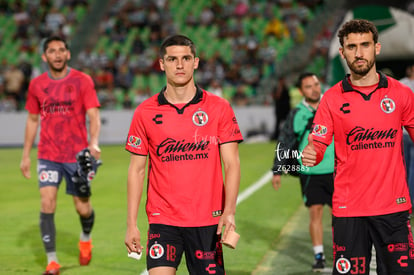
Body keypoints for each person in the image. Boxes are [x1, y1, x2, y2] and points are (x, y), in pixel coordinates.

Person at [302, 19, 414, 274]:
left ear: (377, 48)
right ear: (342, 53)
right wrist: (312, 153)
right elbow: (318, 143)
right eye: (351, 46)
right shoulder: (331, 99)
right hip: (348, 210)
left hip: (393, 209)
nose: (359, 52)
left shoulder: (401, 94)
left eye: (365, 45)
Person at [124, 34, 243, 275]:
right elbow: (136, 170)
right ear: (161, 64)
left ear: (196, 62)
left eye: (186, 58)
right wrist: (131, 224)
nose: (179, 65)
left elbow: (232, 164)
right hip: (163, 219)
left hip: (208, 221)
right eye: (172, 59)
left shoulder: (219, 108)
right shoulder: (144, 112)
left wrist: (229, 212)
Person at [20, 36, 101, 275]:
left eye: (61, 50)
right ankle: (52, 261)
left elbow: (93, 115)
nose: (57, 55)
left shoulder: (82, 81)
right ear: (45, 57)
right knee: (47, 203)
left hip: (76, 156)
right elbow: (33, 119)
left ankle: (85, 238)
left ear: (68, 54)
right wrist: (26, 154)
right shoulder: (36, 85)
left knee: (82, 208)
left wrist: (94, 143)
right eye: (52, 51)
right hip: (48, 154)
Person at [271, 72, 334, 272]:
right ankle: (319, 255)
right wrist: (277, 170)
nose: (315, 89)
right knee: (315, 213)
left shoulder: (332, 105)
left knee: (341, 216)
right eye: (308, 86)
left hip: (336, 170)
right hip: (309, 172)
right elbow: (286, 140)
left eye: (316, 84)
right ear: (301, 91)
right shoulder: (296, 113)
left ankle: (342, 250)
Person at [400, 64, 414, 212]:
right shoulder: (402, 84)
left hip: (404, 131)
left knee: (406, 168)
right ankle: (409, 201)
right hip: (406, 132)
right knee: (410, 169)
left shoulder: (401, 84)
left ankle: (406, 200)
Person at [271, 76, 291, 140]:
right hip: (279, 109)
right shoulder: (276, 88)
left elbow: (288, 99)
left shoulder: (286, 88)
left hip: (286, 109)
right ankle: (276, 136)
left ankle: (287, 136)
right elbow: (276, 97)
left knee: (287, 123)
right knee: (277, 124)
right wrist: (279, 89)